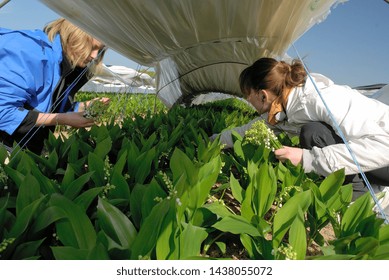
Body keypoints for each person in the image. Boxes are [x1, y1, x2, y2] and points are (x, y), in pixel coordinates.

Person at [213, 57, 389, 197]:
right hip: (372, 155)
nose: (248, 102)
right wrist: (213, 141)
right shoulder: (284, 109)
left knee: (313, 133)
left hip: (384, 155)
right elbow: (246, 131)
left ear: (262, 95)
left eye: (247, 96)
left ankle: (365, 197)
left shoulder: (320, 100)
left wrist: (308, 158)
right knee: (313, 134)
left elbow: (383, 148)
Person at [0, 18, 109, 154]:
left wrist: (85, 107)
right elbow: (3, 113)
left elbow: (49, 105)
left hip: (29, 147)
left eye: (100, 50)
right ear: (75, 36)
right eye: (93, 47)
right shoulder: (29, 53)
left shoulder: (67, 65)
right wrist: (63, 119)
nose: (94, 56)